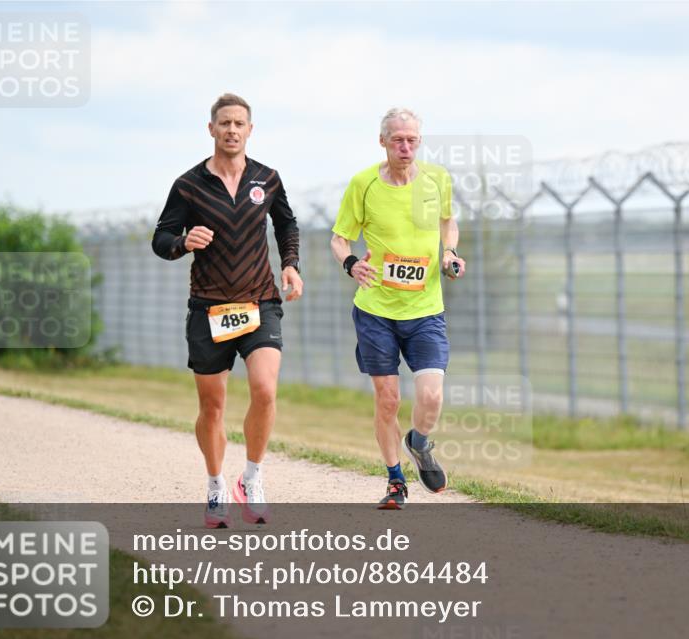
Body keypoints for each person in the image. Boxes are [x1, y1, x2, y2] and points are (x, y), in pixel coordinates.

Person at [152, 93, 303, 528]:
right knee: (212, 405)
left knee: (265, 389)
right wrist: (184, 242)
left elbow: (287, 223)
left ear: (250, 130)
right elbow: (161, 239)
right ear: (212, 129)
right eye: (225, 123)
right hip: (209, 308)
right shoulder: (189, 184)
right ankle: (216, 485)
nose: (232, 130)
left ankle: (252, 478)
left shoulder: (267, 179)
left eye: (240, 123)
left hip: (260, 301)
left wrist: (290, 264)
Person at [330, 108, 465, 509]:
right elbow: (339, 239)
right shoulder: (364, 184)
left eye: (412, 140)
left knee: (432, 397)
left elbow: (448, 222)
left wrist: (450, 252)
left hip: (425, 309)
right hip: (376, 310)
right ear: (383, 142)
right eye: (397, 140)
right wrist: (351, 264)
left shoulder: (437, 180)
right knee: (388, 400)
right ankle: (394, 481)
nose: (405, 147)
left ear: (419, 141)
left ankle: (419, 444)